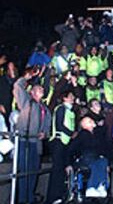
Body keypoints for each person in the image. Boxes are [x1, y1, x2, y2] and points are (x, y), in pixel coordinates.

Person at [13, 68, 51, 204]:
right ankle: (22, 199)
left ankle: (29, 198)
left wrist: (45, 133)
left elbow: (47, 126)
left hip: (36, 144)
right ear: (32, 92)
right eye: (38, 88)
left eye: (42, 89)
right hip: (25, 140)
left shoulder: (45, 109)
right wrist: (27, 78)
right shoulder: (26, 102)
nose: (41, 90)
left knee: (34, 172)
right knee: (24, 172)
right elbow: (17, 86)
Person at [66, 116, 109, 198]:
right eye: (89, 121)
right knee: (93, 161)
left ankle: (100, 185)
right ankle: (91, 187)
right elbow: (71, 149)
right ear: (84, 125)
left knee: (103, 161)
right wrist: (68, 163)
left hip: (96, 157)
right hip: (85, 158)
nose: (92, 121)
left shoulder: (97, 134)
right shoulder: (82, 135)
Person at [46, 90, 77, 204]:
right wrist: (71, 132)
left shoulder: (70, 111)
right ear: (64, 98)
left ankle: (59, 195)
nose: (73, 98)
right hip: (58, 141)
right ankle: (52, 197)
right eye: (70, 96)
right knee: (57, 169)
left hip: (65, 142)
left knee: (62, 170)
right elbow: (60, 125)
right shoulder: (61, 108)